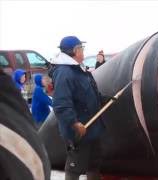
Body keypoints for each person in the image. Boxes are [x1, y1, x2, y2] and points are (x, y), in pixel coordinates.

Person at [50, 36, 105, 180]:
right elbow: (61, 105)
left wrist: (105, 99)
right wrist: (74, 123)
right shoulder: (64, 73)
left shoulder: (80, 70)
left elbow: (90, 94)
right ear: (75, 51)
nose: (83, 51)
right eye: (81, 48)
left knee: (94, 164)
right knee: (74, 167)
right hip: (79, 131)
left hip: (92, 127)